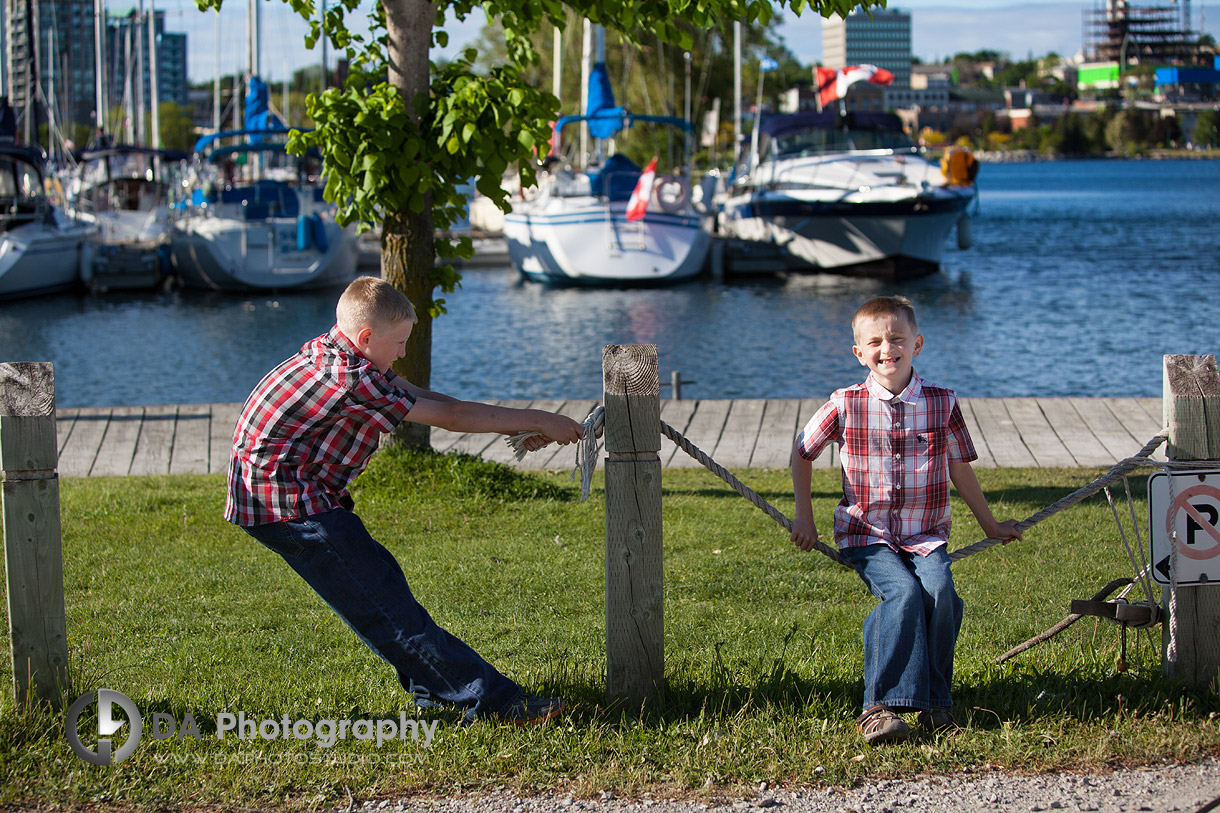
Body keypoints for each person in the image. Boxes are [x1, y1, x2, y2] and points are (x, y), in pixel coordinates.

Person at [225, 276, 584, 724]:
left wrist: (516, 427)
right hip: (287, 505)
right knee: (386, 609)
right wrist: (538, 417)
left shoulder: (337, 352)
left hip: (288, 496)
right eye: (399, 343)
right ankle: (492, 703)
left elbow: (425, 397)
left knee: (382, 586)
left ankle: (437, 695)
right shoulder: (351, 377)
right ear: (368, 337)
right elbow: (452, 418)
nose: (402, 353)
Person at [789, 296, 1021, 745]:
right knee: (903, 592)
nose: (886, 349)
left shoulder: (942, 402)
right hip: (866, 533)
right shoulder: (845, 403)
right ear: (859, 352)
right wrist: (805, 516)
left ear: (917, 343)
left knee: (940, 592)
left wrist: (991, 525)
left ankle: (936, 703)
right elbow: (801, 453)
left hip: (925, 534)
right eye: (874, 341)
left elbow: (960, 468)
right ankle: (878, 707)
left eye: (896, 339)